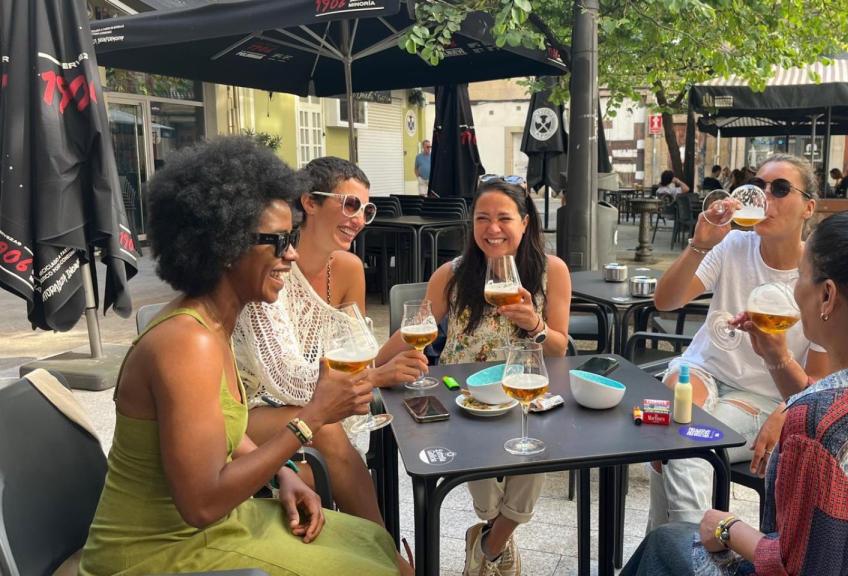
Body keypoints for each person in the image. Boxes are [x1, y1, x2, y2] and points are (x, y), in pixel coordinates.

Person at [80, 136, 399, 575]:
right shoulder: (187, 343)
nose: (290, 254)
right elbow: (202, 504)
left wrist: (283, 472)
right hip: (160, 552)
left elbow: (223, 431)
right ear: (225, 244)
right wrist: (312, 417)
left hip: (208, 529)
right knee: (379, 570)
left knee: (374, 541)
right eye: (277, 241)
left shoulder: (215, 323)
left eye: (291, 237)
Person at [622, 209, 848, 575]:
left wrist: (727, 528)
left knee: (667, 542)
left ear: (827, 296)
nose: (793, 288)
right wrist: (777, 356)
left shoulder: (818, 430)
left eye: (801, 277)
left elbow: (794, 568)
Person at [231, 156, 424, 573]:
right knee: (332, 433)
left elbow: (357, 358)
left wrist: (402, 346)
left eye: (366, 210)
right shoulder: (270, 266)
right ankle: (390, 558)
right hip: (248, 406)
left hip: (308, 409)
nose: (359, 219)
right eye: (350, 205)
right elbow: (286, 380)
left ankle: (368, 553)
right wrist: (374, 376)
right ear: (311, 203)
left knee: (352, 429)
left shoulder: (350, 268)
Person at [378, 178, 571, 576]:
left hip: (526, 389)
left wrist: (534, 323)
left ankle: (489, 544)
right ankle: (494, 542)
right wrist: (374, 368)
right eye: (483, 218)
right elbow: (416, 326)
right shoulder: (453, 274)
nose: (492, 228)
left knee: (535, 450)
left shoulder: (552, 270)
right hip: (465, 393)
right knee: (478, 455)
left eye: (504, 218)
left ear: (526, 222)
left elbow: (559, 348)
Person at [649, 153, 830, 531]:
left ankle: (682, 558)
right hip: (701, 369)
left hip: (764, 396)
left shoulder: (820, 276)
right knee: (676, 437)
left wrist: (785, 413)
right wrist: (699, 244)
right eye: (759, 185)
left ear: (808, 207)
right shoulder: (734, 246)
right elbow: (666, 302)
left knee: (682, 448)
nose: (765, 197)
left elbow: (818, 380)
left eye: (780, 189)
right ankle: (680, 558)